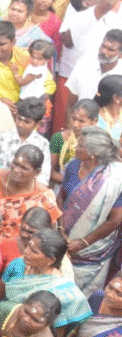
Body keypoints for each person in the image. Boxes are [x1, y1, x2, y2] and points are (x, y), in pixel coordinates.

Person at [58, 126, 122, 294]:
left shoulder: (114, 179)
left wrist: (83, 243)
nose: (75, 147)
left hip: (92, 249)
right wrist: (61, 230)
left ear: (92, 154)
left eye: (80, 145)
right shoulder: (73, 166)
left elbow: (115, 220)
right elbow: (61, 198)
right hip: (63, 238)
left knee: (81, 295)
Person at [1, 228, 92, 333]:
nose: (26, 251)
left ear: (50, 260)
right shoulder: (17, 265)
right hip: (3, 324)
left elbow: (59, 334)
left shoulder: (64, 292)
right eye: (28, 246)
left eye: (33, 251)